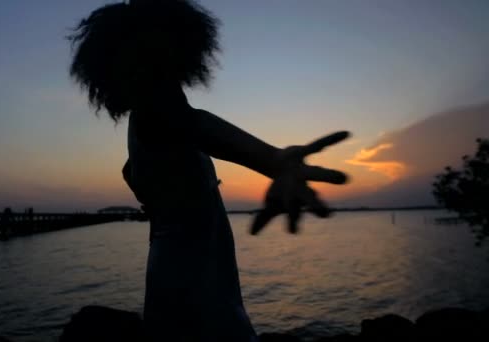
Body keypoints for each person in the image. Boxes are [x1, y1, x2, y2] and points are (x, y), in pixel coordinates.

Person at [68, 1, 349, 341]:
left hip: (174, 270)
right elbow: (191, 123)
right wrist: (271, 160)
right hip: (193, 281)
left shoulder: (143, 121)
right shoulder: (160, 110)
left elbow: (154, 153)